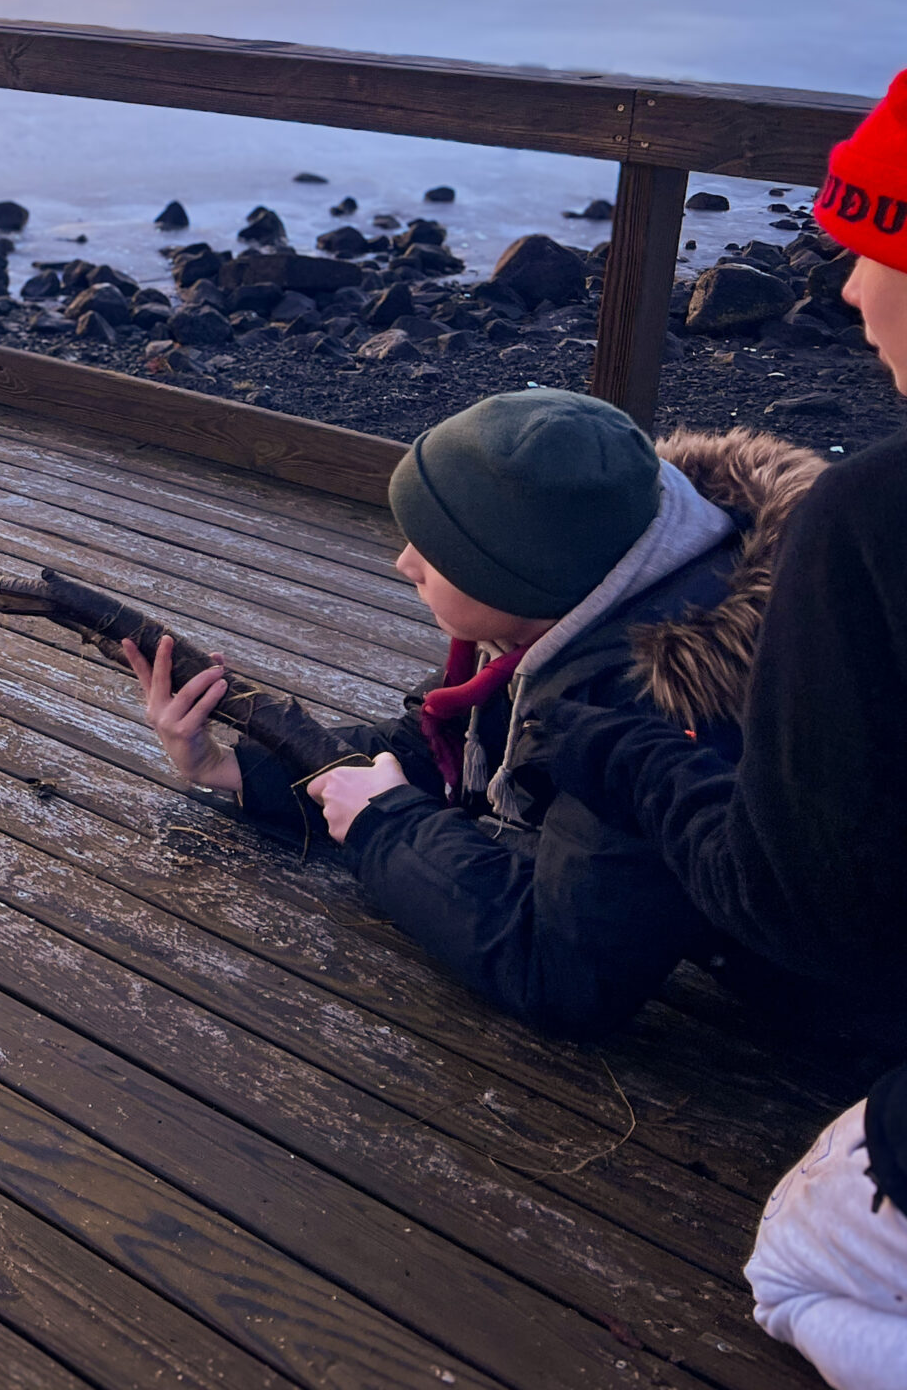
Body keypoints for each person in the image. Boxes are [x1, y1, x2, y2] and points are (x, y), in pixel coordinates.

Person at [548, 69, 907, 1388]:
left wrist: (627, 755)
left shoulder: (870, 523)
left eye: (876, 248)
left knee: (793, 1276)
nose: (850, 292)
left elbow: (799, 908)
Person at [125, 386, 820, 1041]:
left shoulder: (660, 706)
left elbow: (560, 975)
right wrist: (230, 767)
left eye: (438, 553)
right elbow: (438, 751)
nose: (404, 564)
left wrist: (383, 823)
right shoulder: (600, 586)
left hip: (827, 1037)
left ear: (519, 576)